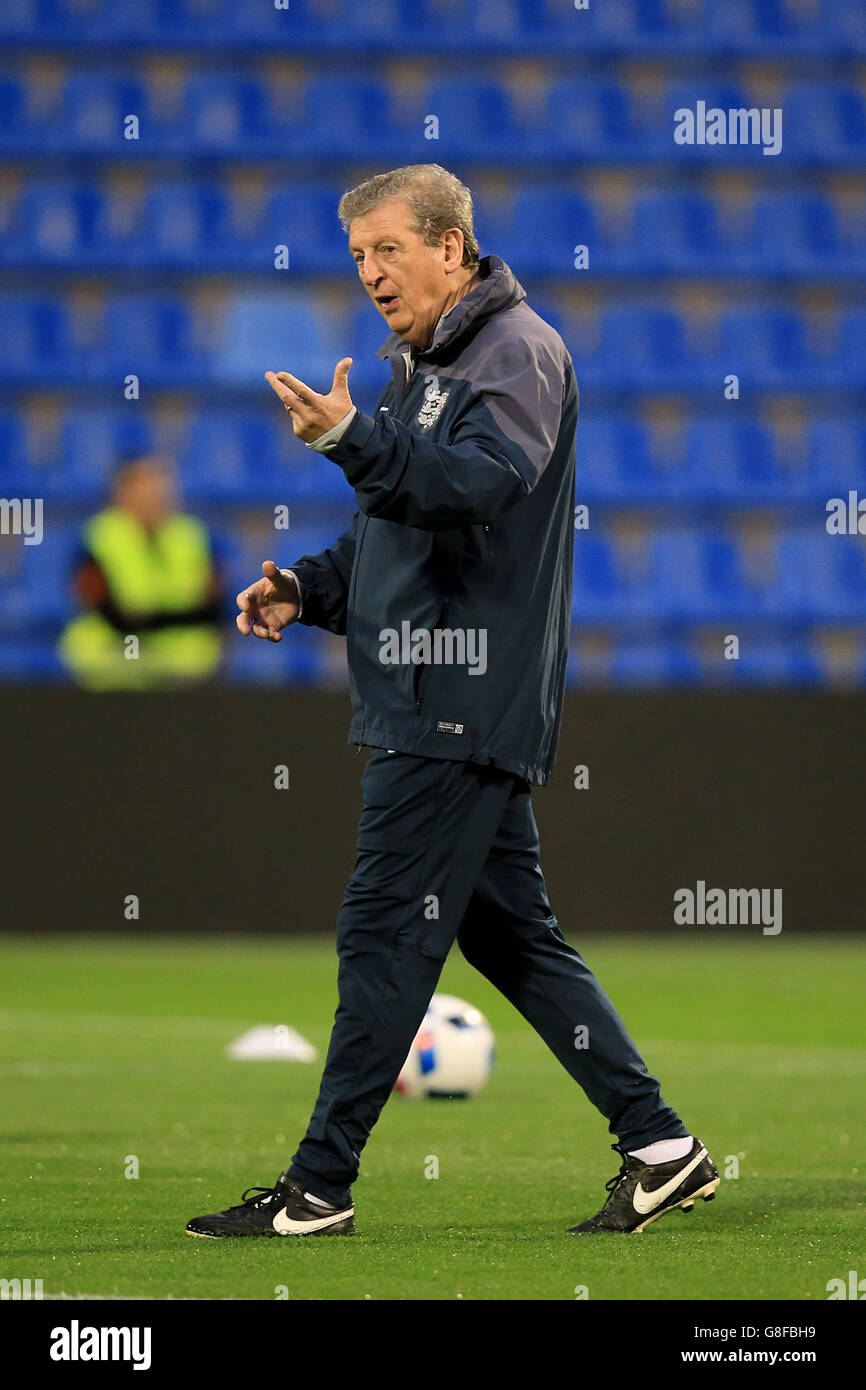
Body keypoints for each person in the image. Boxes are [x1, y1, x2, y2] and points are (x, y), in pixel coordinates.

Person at [186, 164, 718, 1239]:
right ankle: (662, 1146)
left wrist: (349, 441)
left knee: (380, 932)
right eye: (356, 259)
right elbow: (404, 529)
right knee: (513, 938)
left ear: (450, 246)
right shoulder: (419, 364)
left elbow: (473, 488)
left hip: (456, 698)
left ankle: (317, 1189)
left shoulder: (514, 350)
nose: (370, 274)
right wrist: (308, 586)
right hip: (432, 689)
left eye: (386, 250)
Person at [59, 454, 224, 689]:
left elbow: (213, 610)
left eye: (160, 482)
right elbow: (110, 614)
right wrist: (177, 616)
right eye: (143, 483)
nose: (154, 492)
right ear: (120, 491)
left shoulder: (194, 536)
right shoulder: (96, 538)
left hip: (184, 670)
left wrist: (143, 616)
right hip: (109, 664)